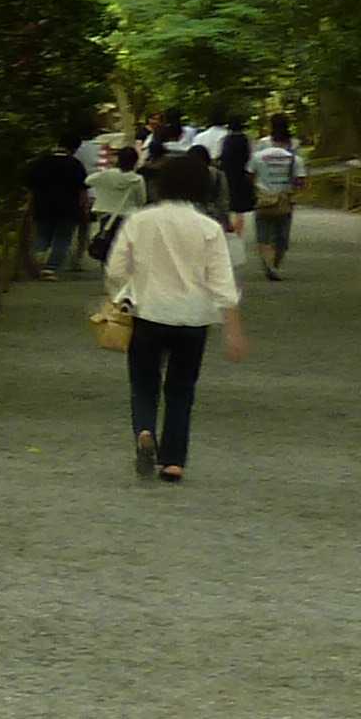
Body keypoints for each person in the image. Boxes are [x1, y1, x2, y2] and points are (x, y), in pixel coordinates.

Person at [105, 150, 246, 485]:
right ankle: (173, 461)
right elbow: (223, 282)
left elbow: (115, 269)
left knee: (143, 382)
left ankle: (143, 430)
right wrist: (234, 329)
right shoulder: (209, 227)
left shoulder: (139, 221)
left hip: (149, 312)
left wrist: (121, 293)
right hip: (194, 318)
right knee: (182, 388)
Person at [25, 138, 94, 278]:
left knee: (43, 235)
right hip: (68, 208)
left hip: (43, 205)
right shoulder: (75, 165)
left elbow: (32, 188)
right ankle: (51, 267)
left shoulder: (41, 163)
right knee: (63, 238)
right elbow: (83, 190)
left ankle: (38, 261)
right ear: (74, 149)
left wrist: (31, 206)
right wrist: (85, 207)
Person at [248, 114, 307, 278]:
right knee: (282, 234)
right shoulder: (294, 149)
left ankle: (268, 264)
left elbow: (252, 172)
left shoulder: (261, 147)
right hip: (284, 197)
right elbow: (300, 178)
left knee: (264, 234)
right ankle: (276, 265)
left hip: (264, 196)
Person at [87, 141, 148, 262]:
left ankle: (106, 268)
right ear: (135, 161)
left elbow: (88, 181)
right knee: (123, 245)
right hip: (127, 215)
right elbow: (142, 200)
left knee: (107, 244)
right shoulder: (137, 179)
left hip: (106, 215)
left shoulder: (106, 174)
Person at [217, 118, 259, 235]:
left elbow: (222, 156)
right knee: (240, 205)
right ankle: (238, 228)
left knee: (228, 199)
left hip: (228, 172)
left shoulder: (226, 140)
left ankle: (228, 225)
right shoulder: (246, 139)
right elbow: (250, 156)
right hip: (242, 172)